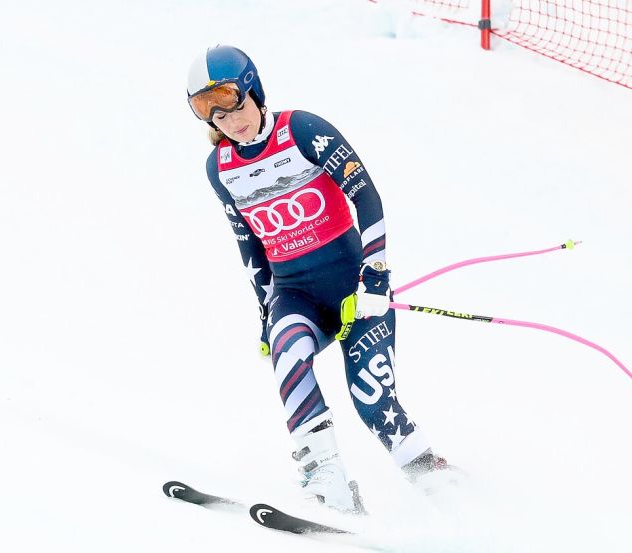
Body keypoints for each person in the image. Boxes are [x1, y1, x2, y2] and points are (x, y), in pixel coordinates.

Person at [186, 45, 458, 514]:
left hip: (355, 289)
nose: (229, 120)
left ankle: (447, 493)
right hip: (296, 295)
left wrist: (375, 278)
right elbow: (249, 245)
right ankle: (328, 485)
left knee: (372, 401)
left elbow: (367, 198)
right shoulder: (220, 169)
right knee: (288, 349)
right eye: (210, 112)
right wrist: (265, 310)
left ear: (254, 90)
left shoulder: (302, 130)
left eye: (232, 101)